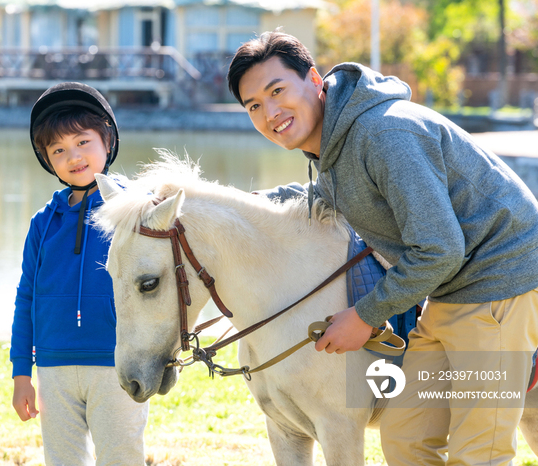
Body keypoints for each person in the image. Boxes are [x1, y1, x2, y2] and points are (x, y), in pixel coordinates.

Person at [227, 30, 538, 465]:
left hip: (500, 282)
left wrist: (364, 315)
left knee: (478, 452)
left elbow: (441, 248)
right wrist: (224, 209)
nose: (270, 112)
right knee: (405, 438)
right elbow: (317, 199)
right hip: (451, 291)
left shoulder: (383, 133)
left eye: (277, 90)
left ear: (314, 79)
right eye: (254, 106)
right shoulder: (333, 150)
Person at [9, 82, 149, 466]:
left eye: (83, 142)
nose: (73, 156)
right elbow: (27, 298)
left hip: (116, 362)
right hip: (53, 367)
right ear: (47, 160)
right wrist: (22, 371)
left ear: (107, 140)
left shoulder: (133, 209)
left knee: (121, 457)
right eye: (58, 150)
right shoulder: (43, 223)